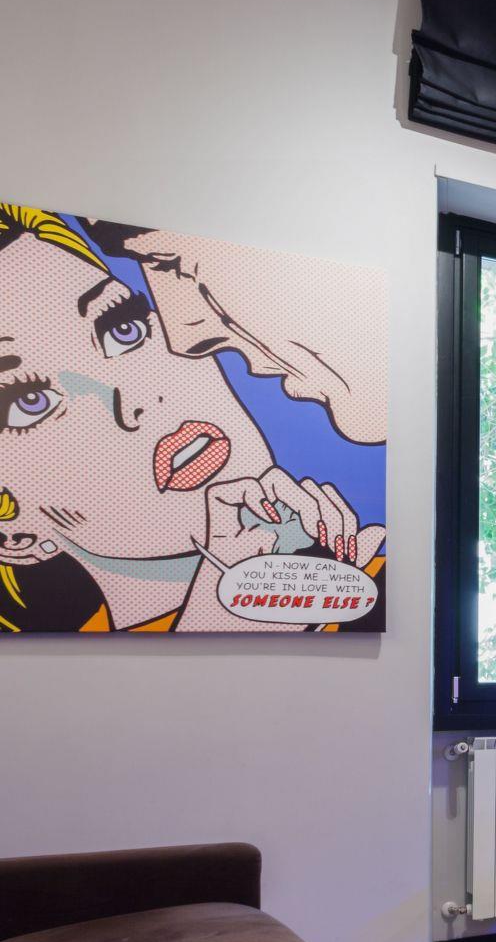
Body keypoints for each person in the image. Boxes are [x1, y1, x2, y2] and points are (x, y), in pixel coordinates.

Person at [0, 205, 382, 632]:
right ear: (12, 535)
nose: (138, 398)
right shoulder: (66, 669)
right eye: (30, 401)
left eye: (122, 328)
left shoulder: (378, 589)